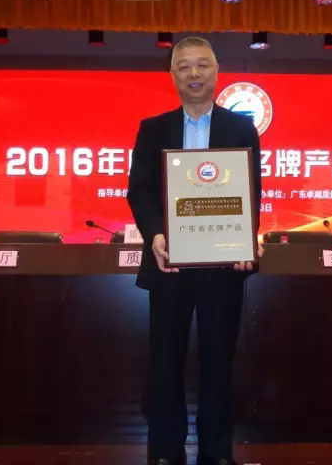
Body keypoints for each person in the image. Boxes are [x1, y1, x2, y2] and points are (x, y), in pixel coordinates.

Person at [127, 36, 263, 465]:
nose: (194, 74)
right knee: (165, 361)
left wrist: (246, 239)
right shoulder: (153, 129)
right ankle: (166, 452)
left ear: (217, 71)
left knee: (219, 361)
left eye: (202, 65)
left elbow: (250, 192)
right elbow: (139, 191)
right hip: (169, 265)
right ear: (172, 75)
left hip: (223, 265)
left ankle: (217, 452)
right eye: (184, 66)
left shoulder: (241, 129)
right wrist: (155, 235)